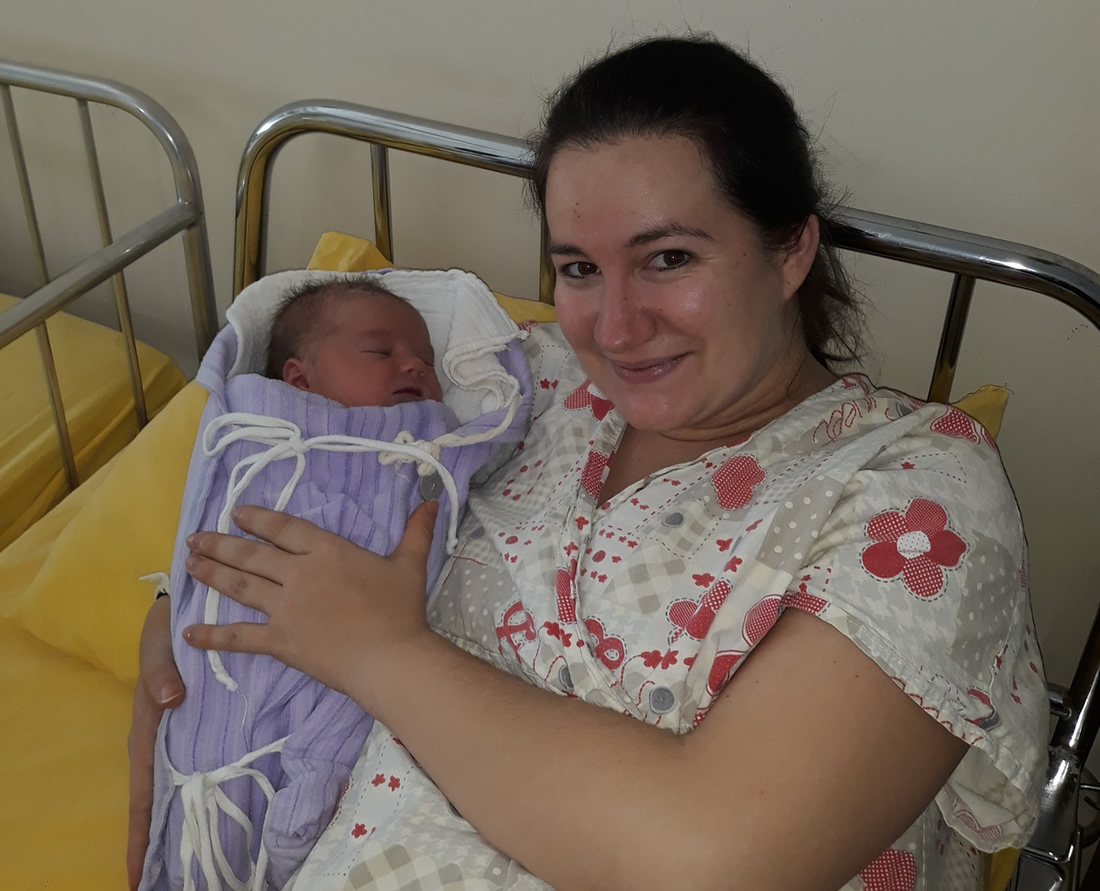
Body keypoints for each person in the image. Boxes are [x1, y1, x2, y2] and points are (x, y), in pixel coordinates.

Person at [129, 35, 1048, 891]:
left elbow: (716, 857)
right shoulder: (516, 383)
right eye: (577, 268)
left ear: (791, 249)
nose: (615, 327)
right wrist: (202, 604)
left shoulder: (918, 495)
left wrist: (381, 652)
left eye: (668, 258)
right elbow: (319, 451)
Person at [138, 273, 532, 890]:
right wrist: (166, 604)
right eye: (381, 351)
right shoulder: (252, 424)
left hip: (366, 654)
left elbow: (485, 446)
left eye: (427, 361)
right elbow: (204, 514)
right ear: (298, 378)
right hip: (225, 654)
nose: (415, 366)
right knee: (200, 802)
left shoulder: (431, 445)